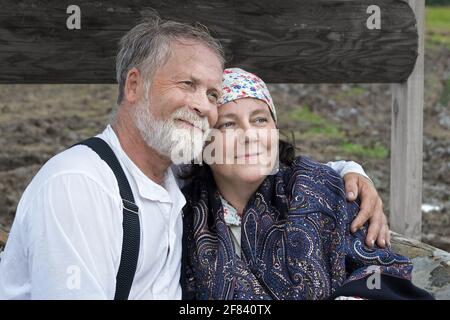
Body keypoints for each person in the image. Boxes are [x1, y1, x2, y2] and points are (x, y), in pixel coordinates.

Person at [0, 17, 388, 299]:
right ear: (134, 85)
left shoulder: (172, 178)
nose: (202, 106)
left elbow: (267, 163)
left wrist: (351, 173)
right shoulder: (81, 187)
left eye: (212, 95)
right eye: (187, 84)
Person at [180, 68, 433, 300]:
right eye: (227, 124)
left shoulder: (318, 187)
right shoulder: (183, 216)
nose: (249, 135)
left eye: (260, 120)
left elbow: (382, 267)